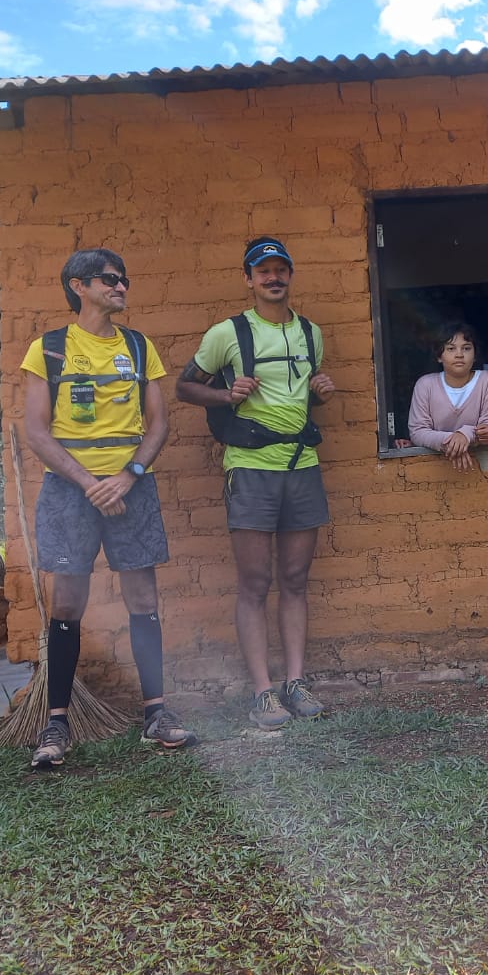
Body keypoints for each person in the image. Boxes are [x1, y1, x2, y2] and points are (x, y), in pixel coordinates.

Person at [19, 248, 194, 769]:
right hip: (70, 492)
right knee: (67, 603)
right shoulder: (48, 350)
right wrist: (89, 482)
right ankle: (56, 725)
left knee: (143, 597)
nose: (121, 287)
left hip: (130, 489)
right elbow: (36, 431)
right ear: (79, 286)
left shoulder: (139, 348)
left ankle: (156, 715)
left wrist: (126, 477)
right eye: (109, 280)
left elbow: (158, 425)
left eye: (124, 279)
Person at [174, 237, 335, 730]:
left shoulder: (312, 333)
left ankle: (296, 681)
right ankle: (263, 691)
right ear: (248, 279)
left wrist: (320, 395)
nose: (273, 278)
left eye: (280, 269)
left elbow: (302, 399)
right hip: (249, 466)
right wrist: (226, 395)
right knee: (254, 582)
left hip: (301, 464)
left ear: (290, 274)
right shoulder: (228, 332)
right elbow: (184, 386)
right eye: (262, 271)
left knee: (294, 579)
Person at [408, 323, 488, 472]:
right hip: (433, 471)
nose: (459, 354)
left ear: (475, 354)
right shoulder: (425, 385)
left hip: (480, 469)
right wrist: (453, 442)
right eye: (451, 348)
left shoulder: (486, 381)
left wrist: (465, 435)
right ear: (439, 356)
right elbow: (418, 431)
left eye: (466, 348)